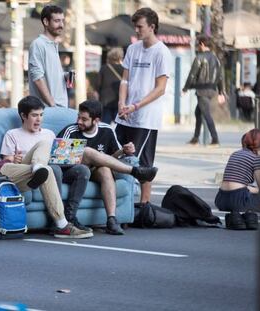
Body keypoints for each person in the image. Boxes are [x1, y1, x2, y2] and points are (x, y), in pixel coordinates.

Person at [0, 115, 92, 239]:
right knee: (48, 171)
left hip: (8, 169)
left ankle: (37, 167)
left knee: (45, 143)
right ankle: (62, 225)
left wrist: (13, 160)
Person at [58, 100, 158, 235]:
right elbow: (57, 157)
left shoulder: (107, 130)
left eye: (84, 119)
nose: (79, 121)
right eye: (78, 117)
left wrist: (124, 151)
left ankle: (111, 220)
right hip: (72, 171)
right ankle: (134, 172)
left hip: (94, 171)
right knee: (87, 151)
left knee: (105, 169)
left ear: (96, 120)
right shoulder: (70, 130)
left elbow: (113, 157)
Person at [0, 96, 93, 234]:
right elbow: (6, 162)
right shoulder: (12, 134)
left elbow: (58, 158)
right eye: (34, 115)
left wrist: (72, 157)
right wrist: (15, 159)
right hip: (28, 170)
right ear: (23, 116)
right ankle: (56, 221)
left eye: (41, 115)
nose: (39, 119)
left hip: (54, 168)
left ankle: (70, 217)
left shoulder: (49, 133)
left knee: (82, 170)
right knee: (49, 161)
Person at [115, 7, 171, 204]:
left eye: (140, 27)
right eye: (135, 27)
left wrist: (136, 106)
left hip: (145, 118)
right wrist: (122, 103)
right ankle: (121, 203)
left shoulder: (162, 52)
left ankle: (144, 206)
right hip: (125, 115)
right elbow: (125, 81)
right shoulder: (132, 48)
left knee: (143, 164)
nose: (136, 31)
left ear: (152, 27)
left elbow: (161, 88)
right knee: (115, 157)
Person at [182, 34, 225, 146]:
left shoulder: (199, 57)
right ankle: (195, 138)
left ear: (202, 44)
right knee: (198, 113)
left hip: (202, 90)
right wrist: (221, 92)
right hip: (211, 90)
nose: (197, 47)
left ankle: (215, 139)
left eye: (198, 45)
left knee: (206, 114)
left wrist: (185, 88)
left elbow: (192, 75)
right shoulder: (216, 58)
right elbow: (220, 76)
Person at [215, 129, 260, 230]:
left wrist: (247, 188)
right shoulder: (256, 159)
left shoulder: (235, 154)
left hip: (221, 200)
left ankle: (237, 217)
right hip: (239, 200)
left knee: (249, 190)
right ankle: (246, 214)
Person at [28, 5, 68, 107]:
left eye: (62, 21)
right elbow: (37, 78)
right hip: (48, 109)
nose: (61, 25)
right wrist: (52, 105)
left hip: (60, 107)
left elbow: (50, 76)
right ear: (46, 22)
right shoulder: (38, 44)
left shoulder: (53, 45)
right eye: (57, 21)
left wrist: (65, 77)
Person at [95, 48, 124, 124]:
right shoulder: (124, 69)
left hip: (105, 101)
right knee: (119, 124)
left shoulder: (104, 68)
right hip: (119, 101)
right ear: (120, 57)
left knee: (105, 125)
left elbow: (98, 84)